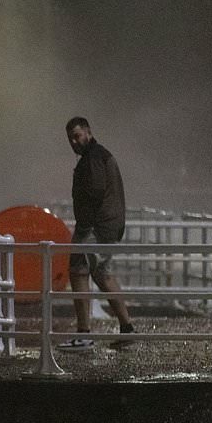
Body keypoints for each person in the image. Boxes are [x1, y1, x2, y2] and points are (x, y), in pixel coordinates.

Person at [57, 116, 136, 350]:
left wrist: (84, 226)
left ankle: (83, 334)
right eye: (70, 138)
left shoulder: (92, 159)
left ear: (88, 133)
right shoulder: (102, 155)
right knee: (102, 274)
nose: (74, 142)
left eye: (77, 136)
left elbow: (95, 191)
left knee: (78, 271)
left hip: (94, 227)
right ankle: (127, 328)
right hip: (108, 226)